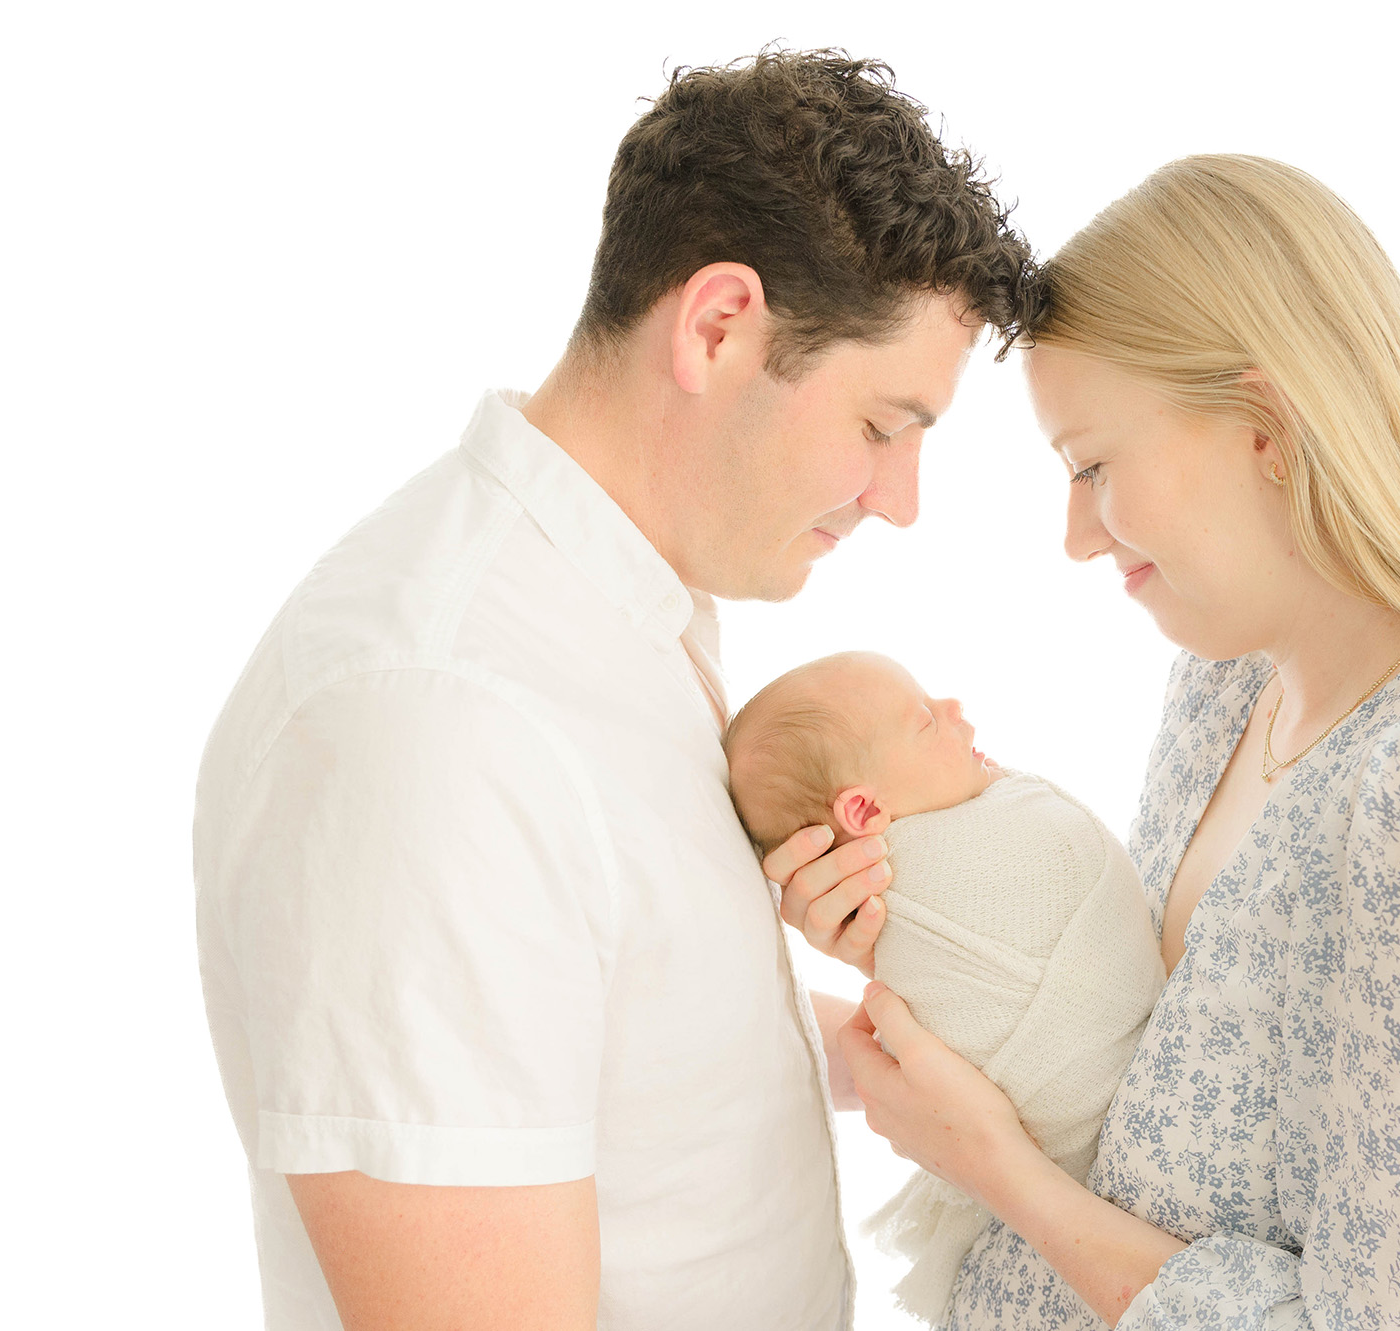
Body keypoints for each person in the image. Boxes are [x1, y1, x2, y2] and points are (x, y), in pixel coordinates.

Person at [191, 49, 1031, 1330]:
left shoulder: (618, 608)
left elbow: (568, 1019)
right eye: (880, 426)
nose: (900, 501)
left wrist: (844, 1042)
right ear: (715, 326)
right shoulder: (439, 718)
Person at [761, 155, 1400, 1328]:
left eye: (1091, 466)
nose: (1076, 535)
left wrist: (997, 1173)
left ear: (1266, 427)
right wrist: (914, 947)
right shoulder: (1225, 694)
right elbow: (1129, 1102)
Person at [724, 651, 1165, 1324]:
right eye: (927, 719)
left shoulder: (950, 861)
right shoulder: (922, 880)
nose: (956, 710)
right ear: (865, 807)